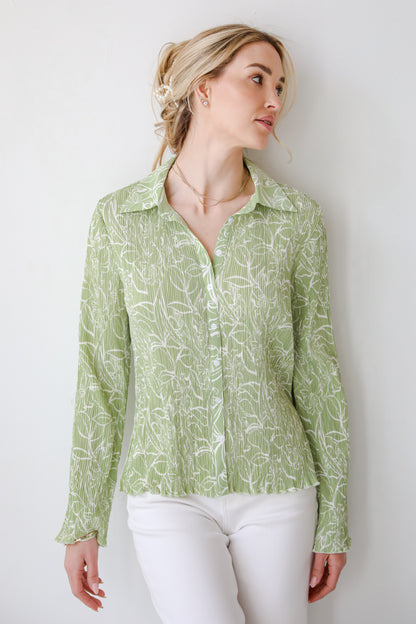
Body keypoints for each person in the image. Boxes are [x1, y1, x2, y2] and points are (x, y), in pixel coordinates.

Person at [56, 23, 351, 624]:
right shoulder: (121, 220)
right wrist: (83, 518)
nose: (274, 100)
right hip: (167, 490)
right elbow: (100, 376)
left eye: (280, 86)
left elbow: (317, 372)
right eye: (257, 79)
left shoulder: (295, 220)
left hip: (279, 486)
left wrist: (335, 518)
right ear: (203, 87)